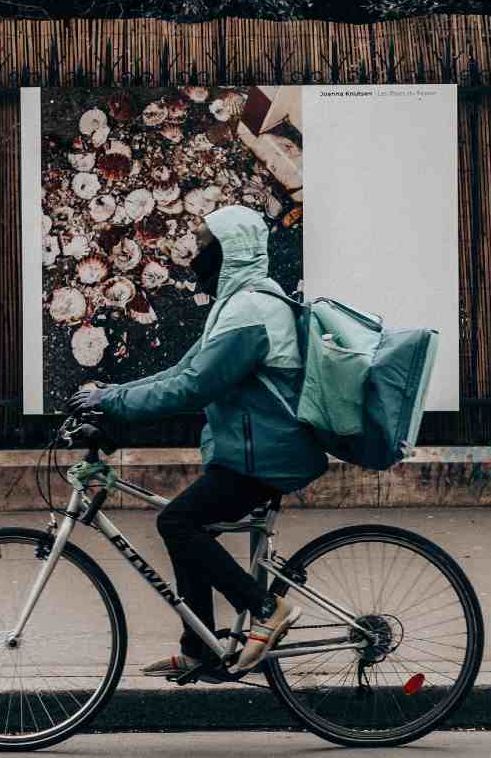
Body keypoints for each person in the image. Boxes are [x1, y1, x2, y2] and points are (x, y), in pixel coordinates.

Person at [67, 204, 328, 676]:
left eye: (207, 244)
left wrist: (113, 405)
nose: (197, 254)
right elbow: (180, 372)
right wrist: (110, 395)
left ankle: (267, 610)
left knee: (178, 523)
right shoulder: (237, 306)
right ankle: (201, 648)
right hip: (249, 451)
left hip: (266, 456)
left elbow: (194, 387)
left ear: (233, 251)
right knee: (188, 527)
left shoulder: (253, 310)